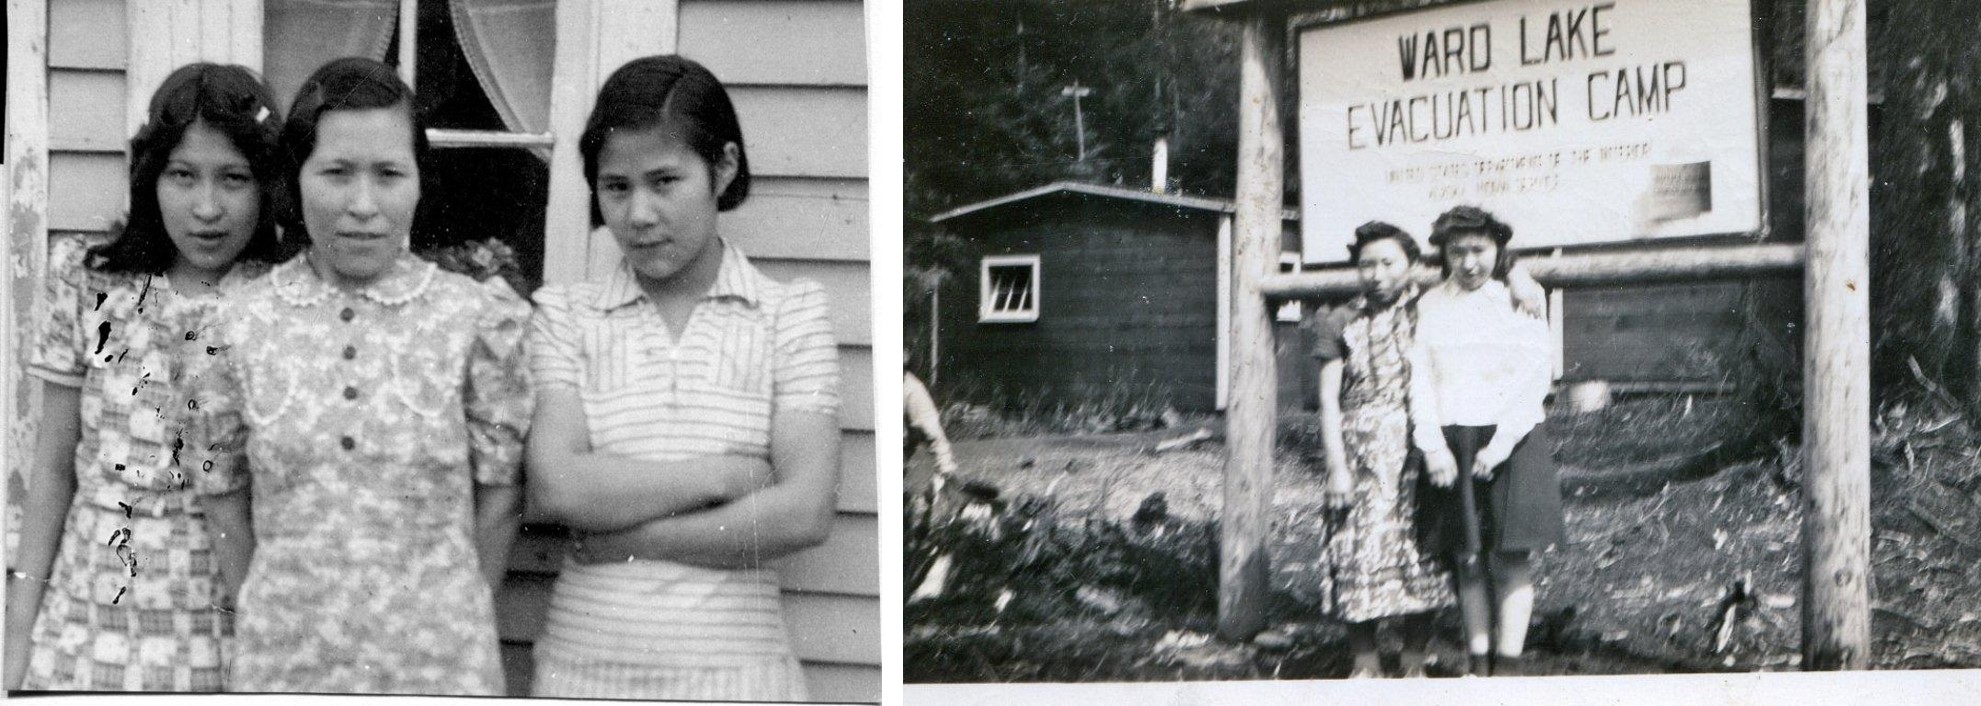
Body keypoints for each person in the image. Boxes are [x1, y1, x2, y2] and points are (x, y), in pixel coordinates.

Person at [182, 57, 531, 694]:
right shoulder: (236, 325)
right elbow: (219, 486)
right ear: (297, 179)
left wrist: (452, 614)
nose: (363, 205)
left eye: (389, 174)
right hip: (286, 666)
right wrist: (269, 608)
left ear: (419, 182)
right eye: (337, 173)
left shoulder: (473, 317)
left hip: (439, 667)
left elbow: (501, 489)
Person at [524, 55, 840, 701]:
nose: (638, 214)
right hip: (581, 676)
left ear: (721, 168)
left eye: (664, 181)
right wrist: (724, 475)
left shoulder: (788, 315)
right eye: (616, 187)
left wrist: (635, 540)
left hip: (740, 679)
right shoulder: (565, 316)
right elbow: (556, 486)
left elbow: (803, 511)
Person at [4, 63, 289, 692]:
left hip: (225, 606)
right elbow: (52, 468)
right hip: (88, 608)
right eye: (182, 175)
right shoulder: (88, 279)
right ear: (150, 175)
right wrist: (17, 632)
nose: (206, 208)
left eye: (234, 179)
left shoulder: (284, 301)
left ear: (267, 184)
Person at [1409, 205, 1564, 677]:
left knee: (1512, 555)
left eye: (1479, 250)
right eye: (1457, 252)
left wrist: (1500, 445)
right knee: (1467, 556)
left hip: (1510, 438)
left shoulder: (1519, 299)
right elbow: (1421, 379)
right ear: (1444, 255)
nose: (1469, 262)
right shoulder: (1431, 303)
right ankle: (1478, 663)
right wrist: (1431, 444)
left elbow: (1534, 376)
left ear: (1498, 251)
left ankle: (1509, 667)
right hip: (1453, 442)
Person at [1313, 222, 1454, 679]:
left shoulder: (1430, 310)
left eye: (1388, 262)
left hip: (1420, 445)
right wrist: (1336, 467)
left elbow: (1482, 271)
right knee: (1357, 547)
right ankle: (1365, 658)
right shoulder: (1339, 320)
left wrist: (1519, 277)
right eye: (1366, 264)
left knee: (1421, 547)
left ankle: (1414, 657)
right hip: (1359, 452)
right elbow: (1329, 400)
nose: (1376, 274)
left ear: (1411, 265)